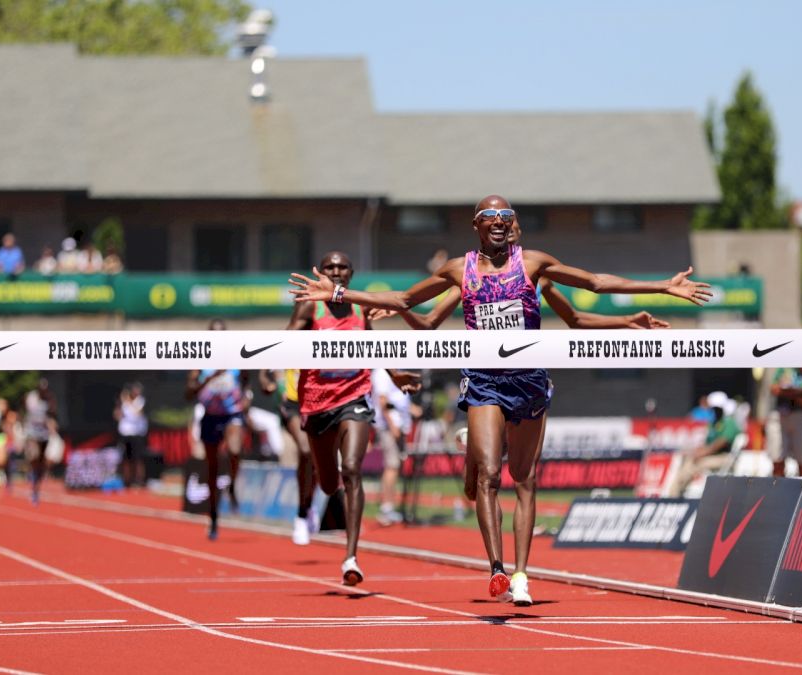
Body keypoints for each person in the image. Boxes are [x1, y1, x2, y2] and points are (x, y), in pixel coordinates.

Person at [289, 194, 709, 605]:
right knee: (491, 475)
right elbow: (413, 308)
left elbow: (591, 292)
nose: (499, 222)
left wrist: (661, 289)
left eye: (506, 216)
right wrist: (340, 296)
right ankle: (497, 567)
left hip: (528, 383)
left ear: (513, 225)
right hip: (484, 380)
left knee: (523, 479)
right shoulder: (462, 272)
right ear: (476, 225)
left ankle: (522, 573)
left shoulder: (534, 266)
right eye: (490, 216)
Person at [289, 251, 421, 583]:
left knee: (352, 469)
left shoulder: (360, 307)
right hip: (317, 401)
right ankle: (314, 499)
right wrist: (267, 370)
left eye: (342, 266)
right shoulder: (310, 306)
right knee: (329, 482)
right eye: (330, 266)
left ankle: (351, 556)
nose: (336, 271)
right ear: (322, 270)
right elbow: (285, 340)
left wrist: (394, 375)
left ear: (351, 273)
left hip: (354, 394)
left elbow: (374, 345)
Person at [185, 318, 249, 540]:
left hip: (232, 413)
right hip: (210, 415)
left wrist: (247, 397)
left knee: (234, 451)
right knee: (211, 467)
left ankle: (231, 483)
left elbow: (246, 380)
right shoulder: (201, 359)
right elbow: (189, 391)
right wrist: (211, 376)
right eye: (214, 334)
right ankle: (213, 517)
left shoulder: (237, 356)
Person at [258, 365, 315, 545]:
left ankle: (309, 504)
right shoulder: (284, 341)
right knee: (305, 449)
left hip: (318, 404)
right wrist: (269, 384)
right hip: (292, 404)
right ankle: (301, 515)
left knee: (317, 463)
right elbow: (263, 374)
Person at [668, 391, 740, 496]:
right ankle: (676, 493)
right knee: (688, 459)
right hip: (712, 456)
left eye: (715, 408)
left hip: (724, 457)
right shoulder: (713, 423)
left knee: (697, 464)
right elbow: (707, 444)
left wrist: (703, 453)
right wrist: (695, 452)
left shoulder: (729, 422)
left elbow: (721, 443)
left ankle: (675, 494)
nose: (713, 411)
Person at [371, 368, 413, 525]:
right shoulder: (382, 372)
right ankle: (386, 508)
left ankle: (389, 507)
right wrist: (392, 424)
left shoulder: (396, 370)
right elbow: (383, 401)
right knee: (392, 466)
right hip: (390, 426)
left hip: (399, 424)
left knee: (394, 466)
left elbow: (398, 400)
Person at [767, 368, 802, 477]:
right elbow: (773, 388)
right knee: (777, 461)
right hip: (781, 416)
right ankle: (778, 492)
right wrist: (791, 391)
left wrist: (790, 392)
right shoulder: (785, 367)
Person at [24, 378, 58, 505]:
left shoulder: (49, 399)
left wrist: (52, 425)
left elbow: (52, 416)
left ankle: (36, 486)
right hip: (32, 432)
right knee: (35, 456)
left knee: (42, 461)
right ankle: (32, 474)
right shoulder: (31, 398)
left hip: (44, 434)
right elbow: (26, 411)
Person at [115, 382, 148, 488]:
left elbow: (137, 413)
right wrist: (120, 405)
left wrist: (126, 400)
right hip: (125, 433)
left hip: (137, 434)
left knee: (137, 458)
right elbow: (117, 415)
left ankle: (138, 480)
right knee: (126, 458)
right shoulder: (123, 403)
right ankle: (126, 480)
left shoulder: (140, 401)